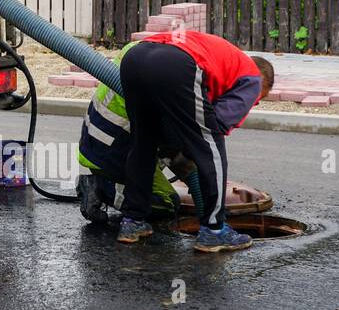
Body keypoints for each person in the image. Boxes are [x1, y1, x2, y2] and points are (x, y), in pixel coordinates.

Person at [115, 31, 274, 253]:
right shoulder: (253, 78)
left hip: (134, 57)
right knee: (212, 148)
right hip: (176, 64)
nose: (252, 103)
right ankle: (214, 230)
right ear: (263, 84)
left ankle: (132, 222)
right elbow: (216, 125)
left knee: (144, 142)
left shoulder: (223, 58)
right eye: (257, 100)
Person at [76, 41, 193, 224]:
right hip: (112, 152)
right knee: (167, 203)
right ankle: (103, 189)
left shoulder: (140, 50)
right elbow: (174, 146)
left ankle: (107, 182)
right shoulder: (169, 78)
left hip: (98, 142)